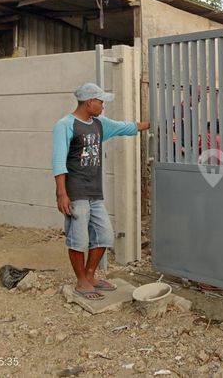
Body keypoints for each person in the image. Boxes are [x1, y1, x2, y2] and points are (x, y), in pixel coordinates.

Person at [52, 83, 149, 300]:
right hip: (75, 191)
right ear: (89, 103)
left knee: (104, 235)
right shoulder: (65, 125)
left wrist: (154, 125)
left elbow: (127, 127)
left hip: (95, 192)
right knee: (78, 238)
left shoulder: (99, 124)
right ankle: (81, 281)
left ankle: (90, 276)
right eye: (101, 102)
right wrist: (61, 193)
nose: (103, 106)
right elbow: (59, 161)